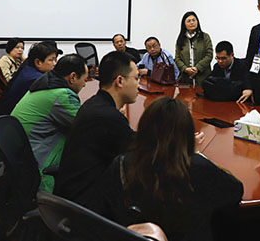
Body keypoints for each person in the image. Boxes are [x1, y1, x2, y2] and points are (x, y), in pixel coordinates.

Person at [97, 97, 243, 241]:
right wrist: (196, 154)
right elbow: (235, 190)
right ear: (187, 133)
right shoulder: (197, 166)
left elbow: (105, 209)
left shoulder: (122, 164)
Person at [54, 51, 139, 208]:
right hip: (87, 206)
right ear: (120, 81)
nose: (138, 84)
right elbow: (141, 154)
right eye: (136, 78)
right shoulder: (107, 116)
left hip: (74, 194)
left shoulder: (95, 103)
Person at [11, 54, 88, 193]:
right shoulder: (62, 95)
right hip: (36, 161)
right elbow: (87, 127)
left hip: (19, 154)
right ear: (72, 77)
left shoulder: (46, 84)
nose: (84, 84)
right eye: (84, 79)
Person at [0, 41, 61, 115]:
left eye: (55, 60)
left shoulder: (28, 67)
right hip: (12, 117)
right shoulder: (36, 79)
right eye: (51, 60)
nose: (54, 64)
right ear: (38, 62)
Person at [174, 11, 213, 85]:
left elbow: (209, 55)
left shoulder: (205, 37)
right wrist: (185, 69)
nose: (192, 22)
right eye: (189, 21)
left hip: (203, 77)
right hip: (185, 78)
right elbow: (177, 58)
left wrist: (197, 68)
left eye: (194, 20)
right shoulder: (180, 39)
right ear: (184, 24)